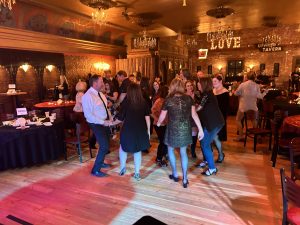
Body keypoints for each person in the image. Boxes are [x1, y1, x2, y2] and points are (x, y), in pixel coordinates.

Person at [157, 78, 204, 188]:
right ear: (182, 86)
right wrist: (200, 129)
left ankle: (174, 174)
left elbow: (162, 116)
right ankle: (185, 179)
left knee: (171, 150)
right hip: (185, 128)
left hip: (172, 128)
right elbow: (194, 115)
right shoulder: (188, 99)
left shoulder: (168, 100)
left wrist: (158, 123)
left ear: (172, 87)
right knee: (183, 152)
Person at [114, 83, 151, 181]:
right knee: (137, 150)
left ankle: (122, 168)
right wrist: (148, 131)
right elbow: (147, 118)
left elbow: (121, 118)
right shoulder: (144, 102)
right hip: (140, 129)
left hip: (128, 129)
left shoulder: (126, 102)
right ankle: (137, 173)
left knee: (123, 148)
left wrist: (110, 122)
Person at [82, 75, 112, 177]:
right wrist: (103, 122)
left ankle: (101, 162)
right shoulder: (87, 96)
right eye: (101, 81)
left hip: (104, 122)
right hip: (96, 123)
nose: (103, 83)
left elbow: (105, 108)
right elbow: (88, 116)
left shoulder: (101, 94)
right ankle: (95, 170)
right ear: (95, 83)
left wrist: (110, 117)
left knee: (106, 143)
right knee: (104, 146)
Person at [196, 77, 224, 176]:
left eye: (199, 83)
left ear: (203, 84)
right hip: (212, 122)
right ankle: (208, 161)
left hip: (214, 123)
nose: (197, 84)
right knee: (204, 142)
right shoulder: (207, 94)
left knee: (204, 144)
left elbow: (199, 108)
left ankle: (212, 168)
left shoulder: (207, 94)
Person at [234, 71, 268, 141]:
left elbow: (236, 94)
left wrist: (237, 92)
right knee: (254, 120)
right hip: (253, 106)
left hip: (243, 106)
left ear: (247, 76)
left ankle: (241, 136)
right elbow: (260, 97)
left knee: (238, 120)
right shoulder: (257, 85)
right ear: (255, 77)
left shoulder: (242, 85)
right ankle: (257, 136)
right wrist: (265, 92)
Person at [212, 74, 229, 163]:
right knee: (213, 138)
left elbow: (225, 109)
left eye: (215, 81)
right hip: (212, 117)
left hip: (220, 118)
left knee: (217, 137)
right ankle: (218, 154)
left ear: (220, 81)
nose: (213, 83)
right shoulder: (213, 91)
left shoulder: (225, 92)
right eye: (213, 81)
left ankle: (220, 154)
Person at [151, 85, 169, 167]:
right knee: (163, 142)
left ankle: (163, 156)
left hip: (165, 124)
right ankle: (159, 158)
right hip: (158, 125)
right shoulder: (159, 101)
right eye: (168, 91)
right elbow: (152, 111)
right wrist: (158, 120)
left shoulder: (166, 100)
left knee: (165, 141)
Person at [185, 80, 199, 158]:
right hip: (187, 118)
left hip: (194, 117)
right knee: (187, 134)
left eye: (191, 85)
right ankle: (187, 147)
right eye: (188, 86)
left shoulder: (196, 95)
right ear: (185, 87)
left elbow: (200, 105)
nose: (190, 87)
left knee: (194, 134)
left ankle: (193, 150)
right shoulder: (184, 96)